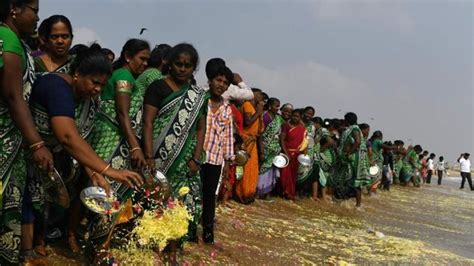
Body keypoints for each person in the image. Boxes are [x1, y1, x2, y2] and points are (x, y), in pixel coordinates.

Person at [24, 44, 143, 258]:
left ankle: (33, 246)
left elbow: (80, 141)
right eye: (94, 82)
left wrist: (95, 174)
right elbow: (68, 137)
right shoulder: (57, 87)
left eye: (102, 85)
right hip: (26, 150)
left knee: (45, 202)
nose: (98, 89)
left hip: (52, 157)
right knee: (27, 204)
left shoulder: (87, 100)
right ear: (77, 74)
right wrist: (109, 170)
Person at [0, 1, 55, 263]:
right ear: (14, 8)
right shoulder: (8, 40)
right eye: (33, 9)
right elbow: (13, 96)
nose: (37, 16)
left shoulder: (17, 42)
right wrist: (36, 143)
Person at [143, 43, 208, 241]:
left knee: (179, 204)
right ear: (170, 64)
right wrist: (149, 156)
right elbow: (148, 122)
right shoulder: (158, 87)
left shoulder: (197, 95)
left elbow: (200, 127)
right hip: (157, 156)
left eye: (187, 65)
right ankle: (149, 240)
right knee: (151, 201)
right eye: (178, 64)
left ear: (193, 68)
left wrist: (196, 158)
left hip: (184, 163)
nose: (182, 68)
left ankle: (172, 243)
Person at [86, 39, 150, 242]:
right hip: (111, 138)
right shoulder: (123, 76)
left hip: (116, 138)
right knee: (103, 186)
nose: (145, 64)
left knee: (101, 186)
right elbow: (122, 114)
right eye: (142, 59)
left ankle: (97, 235)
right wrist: (134, 146)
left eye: (148, 60)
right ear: (128, 56)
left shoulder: (128, 76)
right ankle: (96, 238)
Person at [200, 65, 234, 244]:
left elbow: (228, 138)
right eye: (218, 80)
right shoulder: (199, 100)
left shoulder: (227, 110)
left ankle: (207, 233)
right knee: (191, 193)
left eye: (225, 83)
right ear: (210, 80)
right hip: (196, 157)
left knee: (209, 196)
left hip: (215, 159)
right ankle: (188, 230)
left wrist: (227, 165)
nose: (221, 85)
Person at [234, 88, 264, 204]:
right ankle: (240, 193)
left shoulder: (256, 108)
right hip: (245, 142)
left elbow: (260, 130)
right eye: (259, 95)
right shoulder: (247, 105)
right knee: (243, 168)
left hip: (253, 142)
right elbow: (248, 122)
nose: (261, 98)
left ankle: (248, 193)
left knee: (252, 169)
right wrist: (258, 112)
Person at [333, 113, 370, 208]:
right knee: (347, 180)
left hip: (354, 160)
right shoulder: (350, 129)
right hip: (347, 159)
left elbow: (357, 141)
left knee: (356, 182)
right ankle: (345, 201)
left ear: (347, 120)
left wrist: (349, 152)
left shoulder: (354, 129)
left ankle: (358, 205)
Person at [256, 100, 291, 198]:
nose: (278, 108)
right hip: (264, 148)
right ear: (270, 106)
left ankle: (265, 193)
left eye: (279, 106)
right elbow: (261, 135)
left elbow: (289, 124)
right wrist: (262, 151)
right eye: (276, 106)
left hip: (274, 151)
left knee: (270, 173)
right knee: (261, 171)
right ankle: (257, 192)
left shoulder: (278, 118)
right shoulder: (265, 117)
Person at [279, 109, 307, 200]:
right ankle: (284, 192)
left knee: (293, 175)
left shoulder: (302, 128)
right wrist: (285, 153)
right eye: (294, 116)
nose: (295, 118)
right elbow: (282, 139)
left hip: (296, 155)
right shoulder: (286, 126)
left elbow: (304, 143)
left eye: (297, 116)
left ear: (300, 118)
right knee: (284, 174)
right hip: (287, 153)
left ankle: (290, 193)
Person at [313, 117, 335, 201]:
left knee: (322, 175)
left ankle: (323, 197)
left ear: (317, 123)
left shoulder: (322, 130)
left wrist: (320, 150)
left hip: (324, 155)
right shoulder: (323, 131)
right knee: (324, 175)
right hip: (326, 155)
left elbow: (330, 142)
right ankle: (323, 196)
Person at [296, 106, 316, 196]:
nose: (309, 115)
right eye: (307, 113)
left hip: (308, 152)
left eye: (311, 114)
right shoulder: (297, 122)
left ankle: (301, 194)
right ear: (303, 113)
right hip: (297, 150)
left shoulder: (312, 126)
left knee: (305, 173)